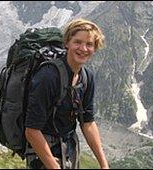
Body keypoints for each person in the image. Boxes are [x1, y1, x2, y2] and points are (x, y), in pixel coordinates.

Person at [25, 18, 109, 169]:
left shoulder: (87, 77)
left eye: (89, 44)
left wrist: (104, 164)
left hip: (69, 147)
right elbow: (31, 131)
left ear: (95, 48)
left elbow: (88, 122)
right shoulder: (48, 76)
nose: (83, 48)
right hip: (43, 151)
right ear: (67, 43)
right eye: (77, 42)